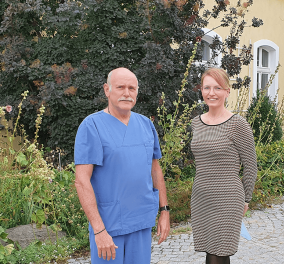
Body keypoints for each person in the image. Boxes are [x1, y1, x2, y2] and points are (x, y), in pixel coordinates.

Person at [74, 67, 170, 263]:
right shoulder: (91, 126)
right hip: (109, 225)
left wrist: (164, 211)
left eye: (132, 88)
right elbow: (81, 181)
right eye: (120, 87)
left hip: (141, 220)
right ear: (107, 90)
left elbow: (155, 170)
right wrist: (99, 230)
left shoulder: (145, 124)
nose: (127, 93)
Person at [190, 68, 258, 264]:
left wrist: (246, 199)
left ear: (227, 91)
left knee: (218, 252)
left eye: (217, 88)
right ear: (201, 90)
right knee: (210, 251)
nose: (212, 93)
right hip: (201, 197)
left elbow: (251, 165)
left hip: (227, 199)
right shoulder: (196, 123)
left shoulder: (238, 125)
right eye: (207, 87)